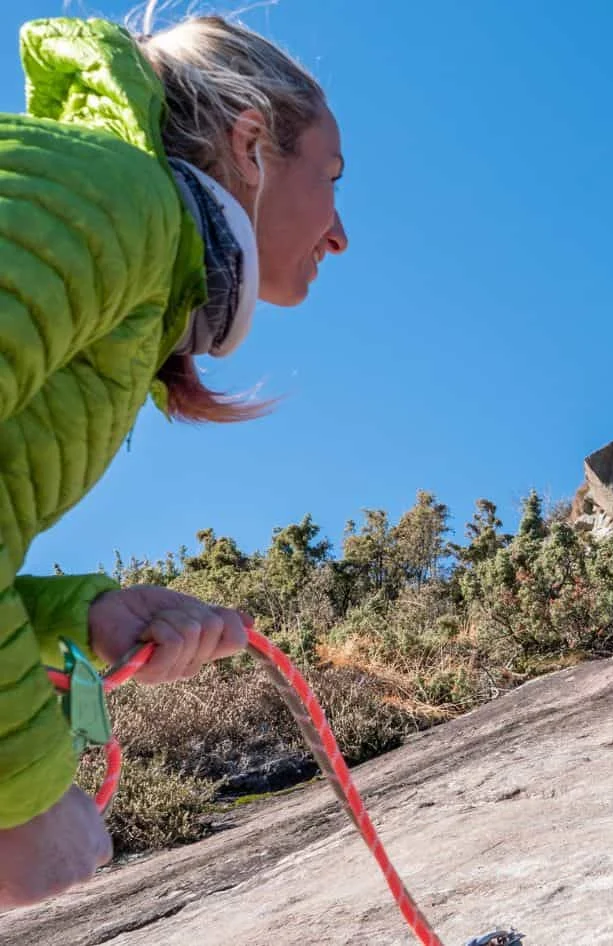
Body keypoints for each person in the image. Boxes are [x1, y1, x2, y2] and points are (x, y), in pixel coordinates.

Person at [0, 12, 348, 907]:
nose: (341, 232)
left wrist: (84, 612)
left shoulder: (128, 245)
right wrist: (26, 796)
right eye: (331, 177)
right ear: (252, 142)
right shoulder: (119, 199)